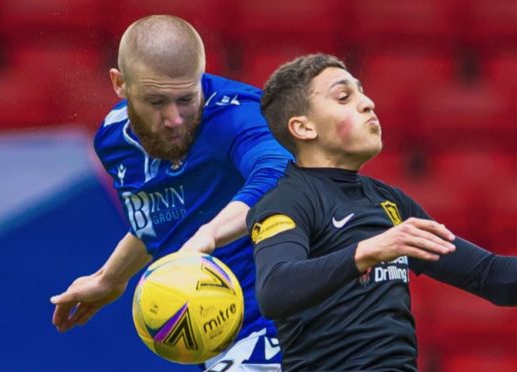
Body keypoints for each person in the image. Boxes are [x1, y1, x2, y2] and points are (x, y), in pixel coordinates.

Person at [246, 53, 517, 371]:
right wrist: (367, 251)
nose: (367, 103)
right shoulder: (287, 201)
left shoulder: (389, 202)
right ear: (303, 128)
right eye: (344, 97)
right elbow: (274, 289)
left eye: (362, 92)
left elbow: (492, 277)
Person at [50, 15, 291, 371]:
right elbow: (160, 220)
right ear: (119, 84)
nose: (175, 118)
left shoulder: (239, 117)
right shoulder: (115, 143)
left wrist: (207, 235)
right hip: (216, 338)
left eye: (186, 98)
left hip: (286, 325)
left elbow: (280, 175)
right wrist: (110, 278)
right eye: (156, 101)